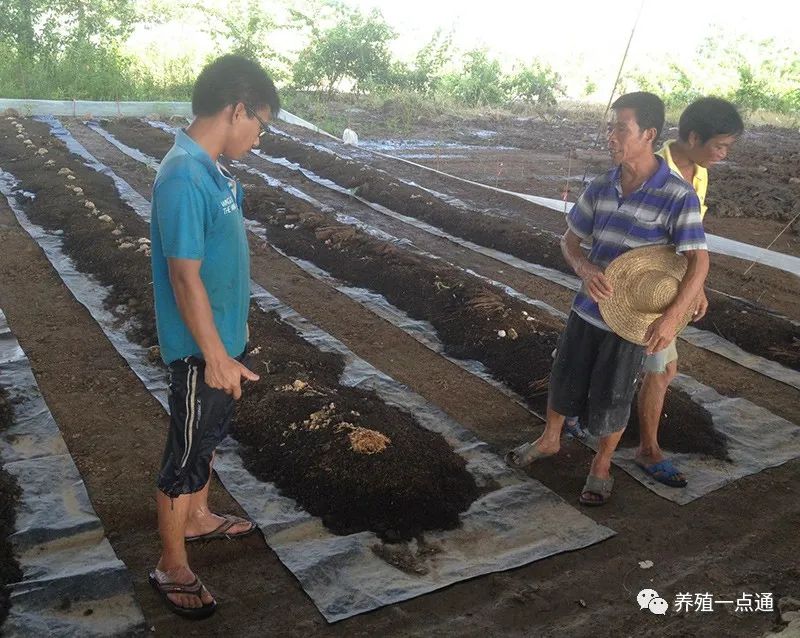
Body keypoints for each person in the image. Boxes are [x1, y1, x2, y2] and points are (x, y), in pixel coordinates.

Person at [506, 92, 709, 506]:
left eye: (621, 128)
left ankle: (601, 465)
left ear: (648, 134)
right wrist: (583, 268)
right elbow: (570, 240)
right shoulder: (601, 185)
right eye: (610, 127)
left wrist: (671, 319)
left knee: (612, 395)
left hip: (632, 321)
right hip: (587, 308)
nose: (611, 136)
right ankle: (549, 439)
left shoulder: (676, 195)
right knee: (564, 378)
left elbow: (698, 262)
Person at [148, 54, 279, 619]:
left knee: (207, 441)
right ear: (238, 109)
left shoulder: (213, 170)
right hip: (203, 350)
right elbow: (184, 275)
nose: (260, 136)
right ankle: (170, 565)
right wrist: (215, 356)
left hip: (224, 338)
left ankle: (199, 517)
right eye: (261, 123)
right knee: (185, 454)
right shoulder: (181, 174)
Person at [635, 97, 743, 488]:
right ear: (694, 136)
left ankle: (587, 419)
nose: (723, 154)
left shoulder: (698, 173)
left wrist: (694, 286)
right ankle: (646, 449)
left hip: (670, 286)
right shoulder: (650, 168)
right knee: (661, 368)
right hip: (639, 286)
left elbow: (693, 241)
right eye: (720, 145)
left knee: (658, 367)